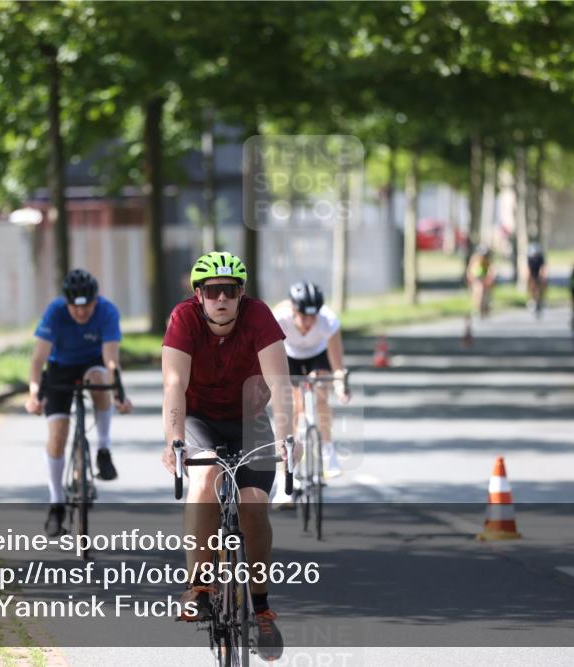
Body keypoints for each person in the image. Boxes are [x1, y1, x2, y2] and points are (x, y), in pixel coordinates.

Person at [160, 251, 298, 661]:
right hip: (199, 417)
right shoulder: (183, 319)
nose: (221, 299)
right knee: (204, 479)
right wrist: (173, 439)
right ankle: (200, 586)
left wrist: (288, 438)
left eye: (230, 291)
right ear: (198, 295)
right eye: (212, 291)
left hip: (248, 418)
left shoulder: (259, 317)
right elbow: (173, 386)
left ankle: (260, 605)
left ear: (242, 294)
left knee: (254, 504)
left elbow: (281, 384)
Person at [25, 269, 133, 538]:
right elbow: (38, 359)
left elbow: (110, 360)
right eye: (75, 308)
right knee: (58, 434)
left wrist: (118, 391)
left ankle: (104, 450)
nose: (82, 313)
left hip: (92, 363)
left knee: (99, 379)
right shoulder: (54, 312)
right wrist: (34, 393)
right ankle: (56, 503)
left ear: (96, 301)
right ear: (67, 303)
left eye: (87, 307)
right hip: (60, 366)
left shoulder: (107, 312)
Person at [271, 282, 351, 505]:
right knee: (293, 409)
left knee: (320, 395)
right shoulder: (278, 319)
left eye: (312, 317)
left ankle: (328, 451)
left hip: (318, 356)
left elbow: (337, 362)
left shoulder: (328, 321)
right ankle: (285, 481)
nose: (308, 323)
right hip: (289, 356)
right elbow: (268, 358)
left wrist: (340, 385)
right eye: (303, 318)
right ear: (293, 311)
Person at [466, 244, 495, 319]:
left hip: (484, 277)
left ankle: (487, 305)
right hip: (476, 277)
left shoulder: (487, 260)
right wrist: (469, 276)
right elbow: (469, 269)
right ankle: (477, 308)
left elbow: (491, 270)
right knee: (478, 292)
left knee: (487, 292)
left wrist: (490, 277)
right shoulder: (474, 258)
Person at [526, 242, 546, 314]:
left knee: (543, 282)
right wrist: (528, 277)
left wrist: (542, 276)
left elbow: (543, 268)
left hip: (539, 272)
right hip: (533, 273)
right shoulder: (529, 259)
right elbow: (528, 269)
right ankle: (531, 299)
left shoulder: (541, 258)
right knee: (530, 284)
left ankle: (542, 298)